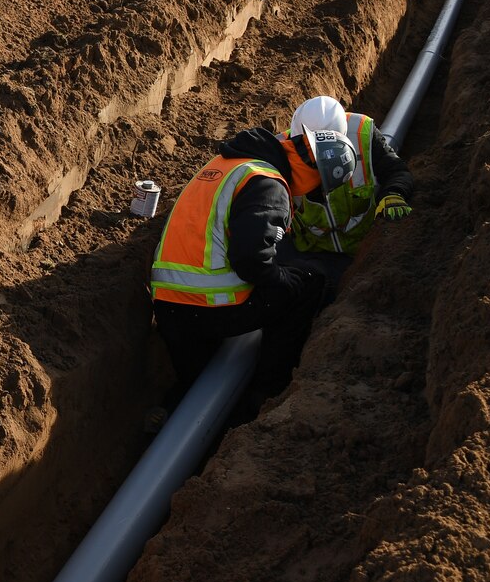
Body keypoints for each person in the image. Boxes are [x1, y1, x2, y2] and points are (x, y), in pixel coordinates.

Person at [144, 125, 357, 431]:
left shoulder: (227, 165)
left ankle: (172, 410)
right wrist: (281, 277)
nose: (309, 194)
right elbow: (250, 259)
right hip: (211, 308)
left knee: (195, 378)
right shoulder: (268, 183)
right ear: (314, 171)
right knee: (308, 282)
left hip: (168, 308)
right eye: (316, 188)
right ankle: (267, 392)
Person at [279, 95, 415, 292]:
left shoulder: (362, 132)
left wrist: (393, 194)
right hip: (312, 258)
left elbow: (397, 170)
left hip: (364, 254)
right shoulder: (281, 151)